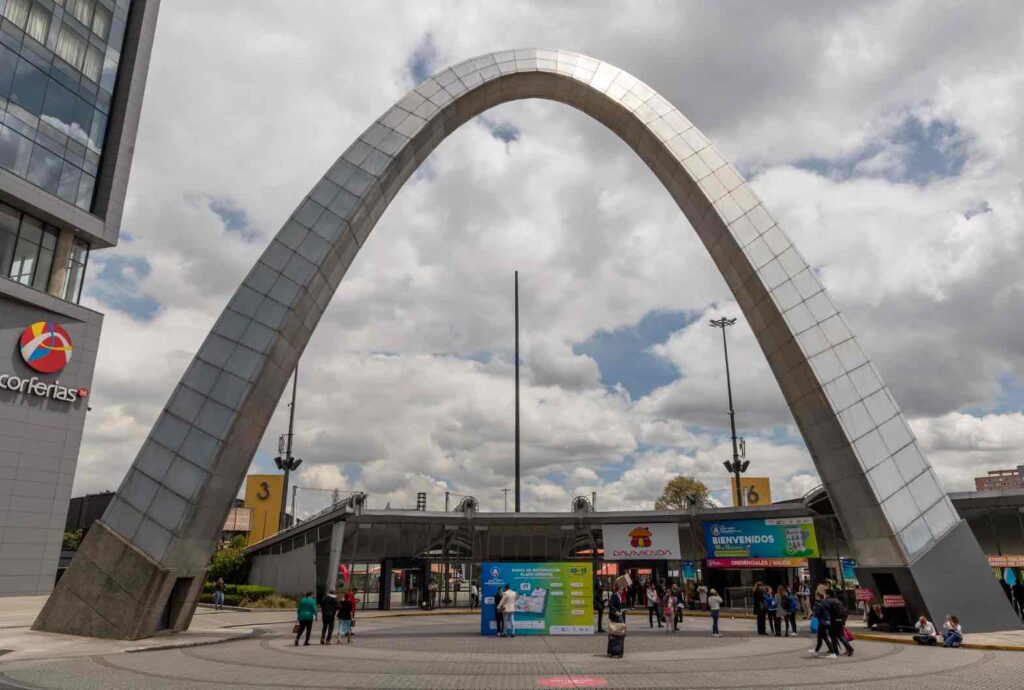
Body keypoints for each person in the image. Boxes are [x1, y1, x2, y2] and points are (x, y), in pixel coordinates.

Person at [825, 589, 854, 657]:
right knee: (840, 635)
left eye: (826, 594)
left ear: (828, 594)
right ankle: (850, 648)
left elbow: (825, 612)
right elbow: (844, 611)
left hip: (833, 621)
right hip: (840, 620)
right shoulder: (838, 601)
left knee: (833, 636)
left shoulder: (828, 601)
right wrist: (843, 622)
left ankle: (836, 652)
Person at [809, 591, 836, 658]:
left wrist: (814, 612)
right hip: (826, 621)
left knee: (825, 638)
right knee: (819, 637)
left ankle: (832, 653)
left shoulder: (819, 604)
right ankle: (816, 651)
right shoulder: (826, 602)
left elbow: (818, 613)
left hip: (823, 622)